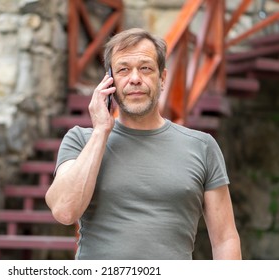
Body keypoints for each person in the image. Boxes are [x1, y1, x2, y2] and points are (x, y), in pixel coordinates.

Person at [45, 28, 241, 260]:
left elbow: (225, 239)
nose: (135, 78)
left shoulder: (203, 146)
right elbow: (65, 211)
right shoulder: (81, 140)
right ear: (110, 81)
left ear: (162, 78)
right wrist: (101, 131)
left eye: (145, 68)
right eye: (123, 70)